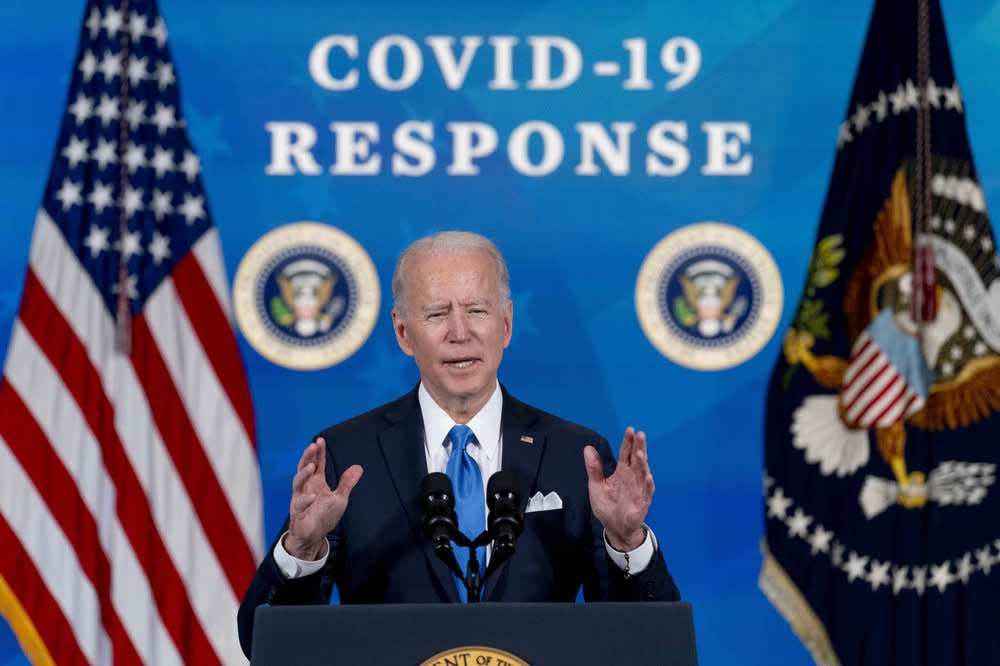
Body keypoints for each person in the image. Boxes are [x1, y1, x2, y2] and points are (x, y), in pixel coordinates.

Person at [237, 231, 680, 657]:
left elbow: (648, 642)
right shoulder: (348, 456)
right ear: (403, 332)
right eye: (436, 313)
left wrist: (627, 542)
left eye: (477, 310)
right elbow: (263, 642)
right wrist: (302, 551)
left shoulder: (575, 455)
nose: (459, 332)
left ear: (506, 324)